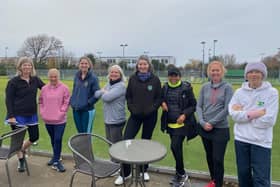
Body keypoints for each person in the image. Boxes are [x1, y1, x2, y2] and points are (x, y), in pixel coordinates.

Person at [229, 62, 278, 187]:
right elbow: (234, 115)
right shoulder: (239, 92)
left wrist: (244, 114)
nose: (254, 74)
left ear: (263, 75)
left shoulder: (272, 93)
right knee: (243, 176)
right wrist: (257, 113)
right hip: (241, 140)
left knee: (261, 179)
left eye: (257, 72)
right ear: (246, 75)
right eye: (251, 72)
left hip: (261, 142)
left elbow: (269, 120)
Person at [114, 55, 162, 185]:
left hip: (150, 117)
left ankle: (143, 170)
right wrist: (131, 108)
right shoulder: (133, 79)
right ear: (137, 66)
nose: (142, 66)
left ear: (149, 65)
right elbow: (128, 96)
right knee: (126, 140)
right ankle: (125, 173)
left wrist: (152, 108)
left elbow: (159, 98)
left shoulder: (155, 80)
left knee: (146, 143)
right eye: (140, 64)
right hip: (135, 116)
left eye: (144, 64)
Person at [196, 60, 233, 187]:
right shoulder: (204, 87)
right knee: (210, 157)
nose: (215, 72)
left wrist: (211, 122)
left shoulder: (228, 87)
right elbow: (199, 106)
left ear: (222, 72)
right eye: (213, 70)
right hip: (204, 128)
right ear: (209, 72)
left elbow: (227, 108)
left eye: (217, 70)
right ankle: (213, 181)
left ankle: (218, 183)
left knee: (218, 159)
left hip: (220, 129)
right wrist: (202, 122)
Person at [5, 57, 45, 172]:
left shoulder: (35, 80)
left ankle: (21, 149)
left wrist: (58, 88)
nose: (27, 67)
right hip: (17, 115)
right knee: (18, 139)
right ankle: (21, 161)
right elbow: (9, 100)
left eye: (29, 65)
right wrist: (11, 116)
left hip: (31, 114)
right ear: (20, 67)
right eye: (24, 65)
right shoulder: (13, 82)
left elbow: (46, 89)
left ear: (32, 67)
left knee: (34, 136)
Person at [161, 67, 197, 187]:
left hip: (182, 124)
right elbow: (160, 98)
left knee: (174, 146)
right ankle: (179, 173)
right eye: (171, 75)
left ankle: (181, 173)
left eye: (175, 75)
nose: (173, 78)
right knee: (177, 149)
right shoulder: (165, 87)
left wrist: (184, 115)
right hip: (170, 124)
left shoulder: (186, 88)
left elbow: (193, 105)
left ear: (179, 76)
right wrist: (162, 103)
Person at [39, 68, 70, 172]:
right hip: (48, 119)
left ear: (58, 76)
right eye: (51, 76)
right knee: (53, 140)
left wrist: (61, 113)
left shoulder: (64, 88)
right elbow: (41, 101)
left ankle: (57, 161)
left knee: (57, 139)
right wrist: (42, 112)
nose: (53, 78)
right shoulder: (44, 88)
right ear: (48, 77)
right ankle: (55, 157)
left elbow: (66, 102)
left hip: (60, 120)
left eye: (55, 76)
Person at [95, 64, 126, 143]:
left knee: (116, 146)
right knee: (110, 143)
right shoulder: (109, 84)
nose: (113, 74)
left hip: (117, 120)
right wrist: (104, 91)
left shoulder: (121, 86)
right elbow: (96, 94)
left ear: (120, 75)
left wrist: (104, 92)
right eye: (112, 72)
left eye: (116, 72)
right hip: (108, 119)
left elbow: (106, 98)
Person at [70, 56, 100, 133]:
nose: (84, 65)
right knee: (80, 133)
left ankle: (87, 146)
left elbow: (97, 94)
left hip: (87, 111)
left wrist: (88, 103)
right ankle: (81, 145)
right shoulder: (77, 76)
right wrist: (72, 102)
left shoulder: (93, 78)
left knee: (86, 134)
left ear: (89, 65)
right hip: (76, 110)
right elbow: (74, 91)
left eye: (86, 63)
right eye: (82, 63)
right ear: (79, 65)